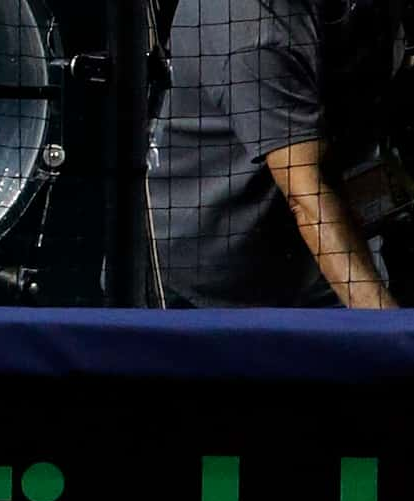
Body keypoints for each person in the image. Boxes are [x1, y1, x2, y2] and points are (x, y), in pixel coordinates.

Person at [149, 0, 406, 307]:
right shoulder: (252, 21)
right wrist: (388, 331)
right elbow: (309, 194)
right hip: (206, 292)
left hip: (326, 273)